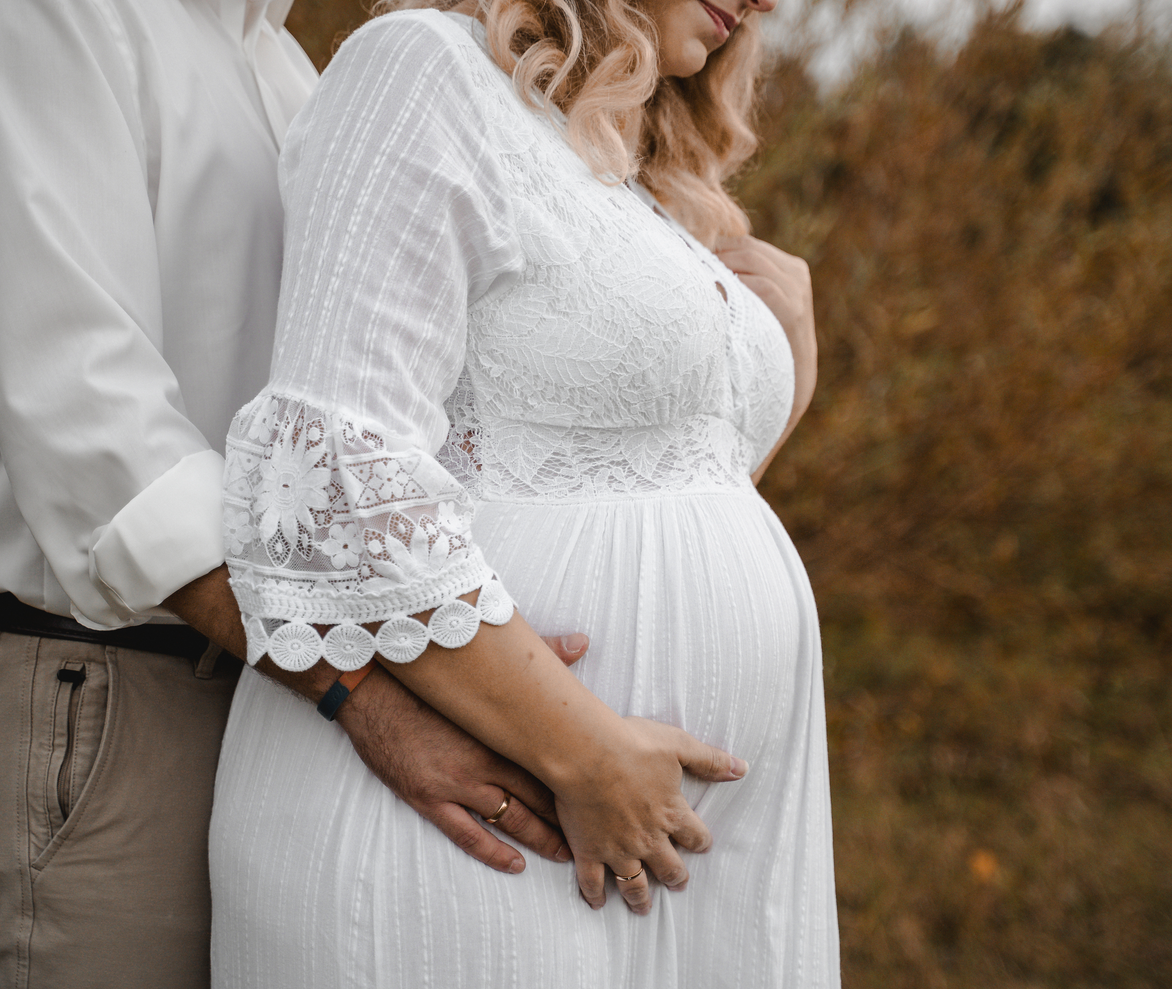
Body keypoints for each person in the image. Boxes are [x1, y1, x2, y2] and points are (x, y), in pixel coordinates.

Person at [0, 2, 737, 986]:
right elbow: (94, 431)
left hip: (274, 699)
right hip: (107, 694)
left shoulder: (290, 69)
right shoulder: (58, 18)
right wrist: (363, 691)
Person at [210, 0, 839, 984]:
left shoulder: (639, 180)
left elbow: (657, 496)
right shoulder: (424, 70)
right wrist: (584, 754)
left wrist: (787, 362)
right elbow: (328, 470)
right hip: (496, 815)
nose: (765, 6)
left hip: (654, 837)